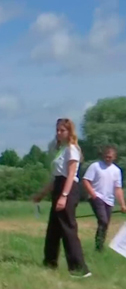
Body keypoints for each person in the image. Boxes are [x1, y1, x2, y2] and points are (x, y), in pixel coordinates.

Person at [32, 118, 91, 278]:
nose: (58, 133)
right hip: (59, 185)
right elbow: (56, 177)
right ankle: (50, 262)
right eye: (57, 130)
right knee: (54, 228)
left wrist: (64, 196)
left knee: (68, 228)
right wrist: (42, 194)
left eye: (62, 130)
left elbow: (71, 174)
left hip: (69, 189)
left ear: (69, 132)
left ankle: (79, 268)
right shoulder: (60, 149)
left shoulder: (72, 149)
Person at [82, 145, 126, 252]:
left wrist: (122, 204)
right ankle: (99, 247)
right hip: (97, 197)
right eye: (106, 156)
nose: (108, 158)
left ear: (114, 157)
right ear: (103, 156)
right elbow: (86, 180)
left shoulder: (116, 171)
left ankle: (99, 247)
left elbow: (118, 189)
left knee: (105, 224)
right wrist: (93, 195)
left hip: (109, 200)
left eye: (110, 157)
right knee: (103, 221)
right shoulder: (95, 166)